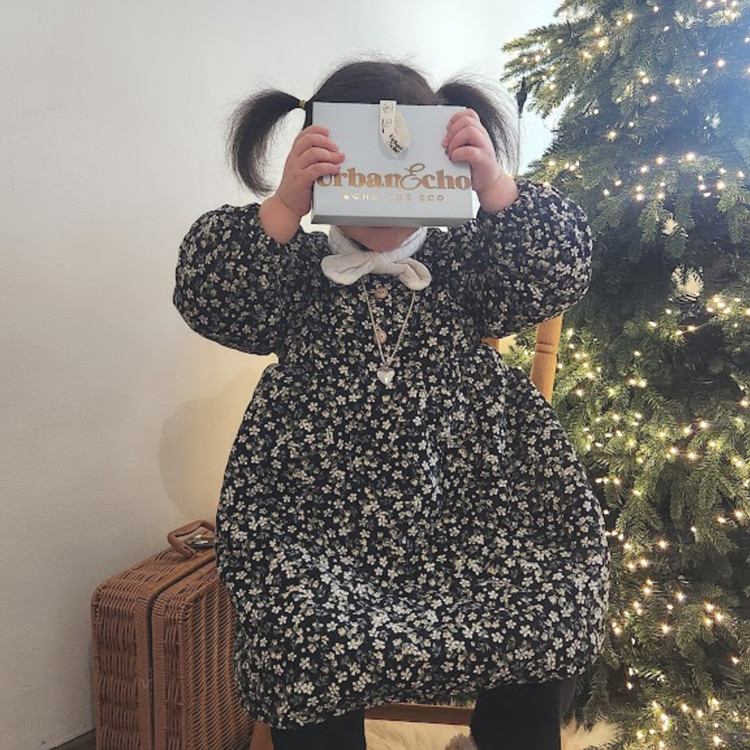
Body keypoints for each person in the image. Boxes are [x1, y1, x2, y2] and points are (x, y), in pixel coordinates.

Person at [173, 59, 611, 750]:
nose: (384, 198)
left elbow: (556, 271)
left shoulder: (468, 260)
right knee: (298, 629)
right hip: (317, 516)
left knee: (547, 603)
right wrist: (283, 206)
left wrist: (495, 186)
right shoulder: (293, 268)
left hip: (475, 505)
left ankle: (509, 735)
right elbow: (211, 298)